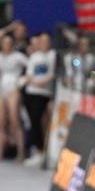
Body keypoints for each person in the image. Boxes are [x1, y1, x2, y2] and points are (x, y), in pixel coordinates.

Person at [0, 34, 28, 161]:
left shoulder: (19, 56)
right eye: (4, 42)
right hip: (0, 89)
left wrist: (21, 81)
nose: (6, 45)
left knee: (15, 120)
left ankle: (21, 153)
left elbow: (31, 68)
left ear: (12, 44)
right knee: (0, 122)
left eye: (9, 42)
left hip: (13, 89)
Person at [22, 32, 56, 165]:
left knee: (44, 121)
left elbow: (52, 74)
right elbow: (29, 74)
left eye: (47, 41)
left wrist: (41, 82)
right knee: (33, 121)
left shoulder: (53, 56)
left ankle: (47, 150)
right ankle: (38, 150)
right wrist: (35, 82)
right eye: (42, 41)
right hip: (31, 92)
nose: (44, 43)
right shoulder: (34, 56)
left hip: (45, 94)